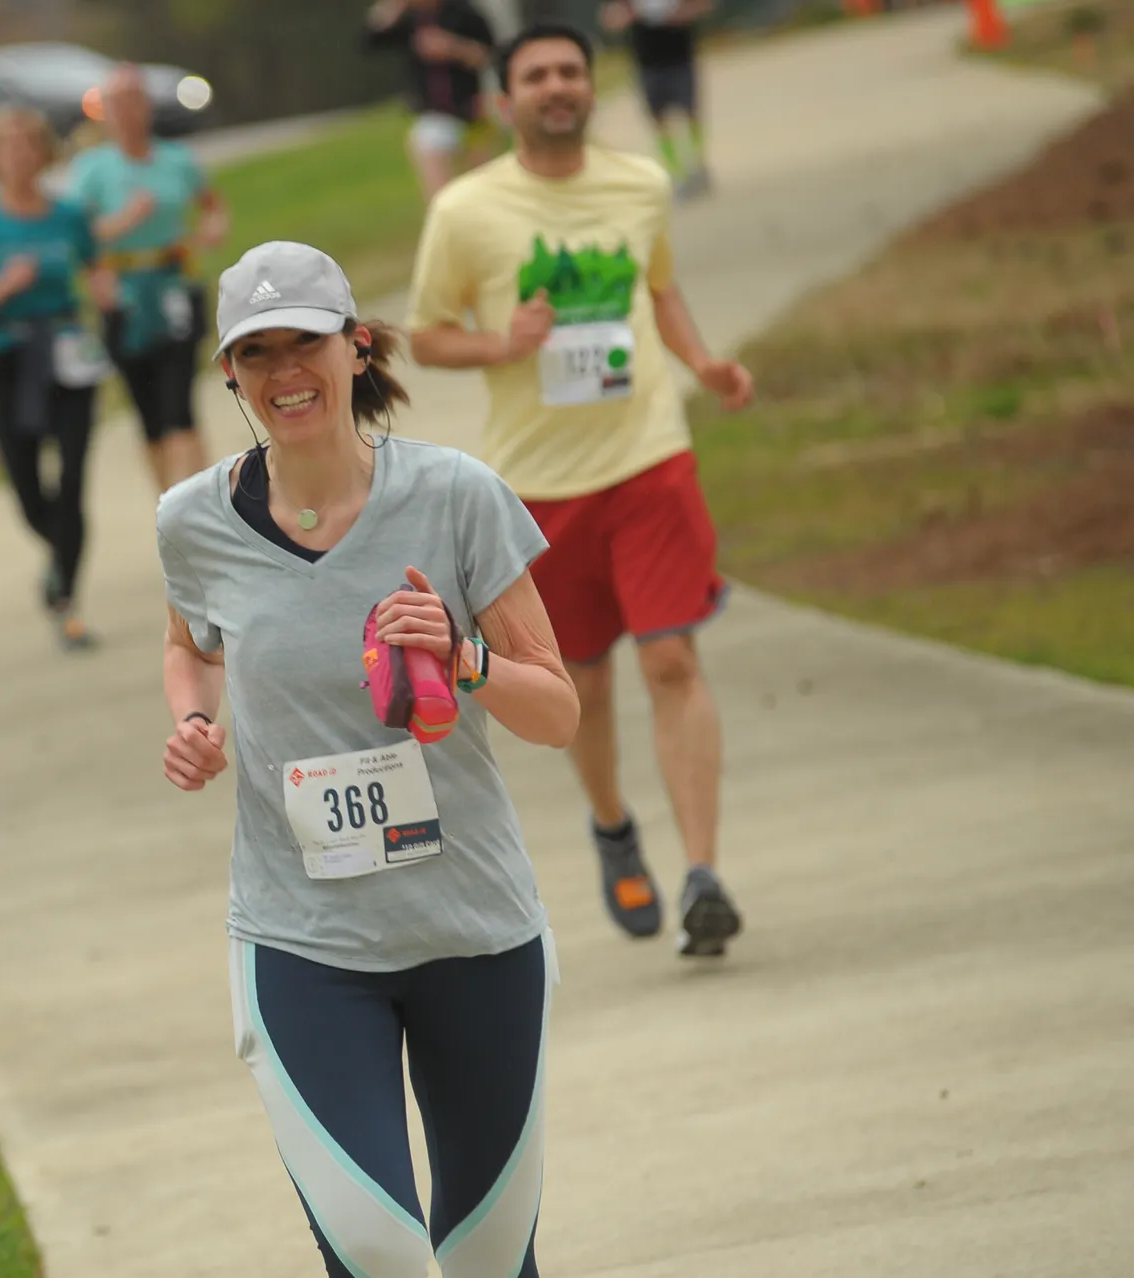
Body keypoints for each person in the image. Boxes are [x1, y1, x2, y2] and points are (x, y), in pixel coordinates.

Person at [157, 239, 579, 1278]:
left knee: (486, 1266)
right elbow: (186, 642)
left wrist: (462, 657)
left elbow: (558, 711)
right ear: (229, 376)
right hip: (303, 940)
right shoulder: (193, 523)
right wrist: (194, 722)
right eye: (257, 354)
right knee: (379, 1254)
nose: (284, 372)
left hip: (472, 930)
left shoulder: (456, 496)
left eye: (305, 342)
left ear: (357, 346)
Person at [406, 23, 754, 957]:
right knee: (585, 683)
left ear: (589, 87)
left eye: (570, 71)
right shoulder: (468, 211)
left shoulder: (638, 185)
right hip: (539, 487)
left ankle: (704, 874)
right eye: (536, 75)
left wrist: (703, 363)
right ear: (503, 96)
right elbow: (427, 333)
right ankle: (611, 826)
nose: (557, 85)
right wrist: (501, 344)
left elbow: (661, 289)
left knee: (672, 660)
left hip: (649, 457)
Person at [0, 104, 117, 651]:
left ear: (44, 152)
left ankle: (64, 592)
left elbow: (96, 267)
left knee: (72, 477)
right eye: (6, 146)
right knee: (26, 487)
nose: (19, 155)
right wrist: (2, 287)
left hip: (67, 351)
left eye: (28, 143)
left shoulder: (68, 214)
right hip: (8, 355)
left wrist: (105, 294)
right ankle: (60, 554)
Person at [68, 63, 230, 492]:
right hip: (123, 292)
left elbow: (212, 204)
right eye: (116, 103)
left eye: (133, 100)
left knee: (179, 397)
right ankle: (169, 504)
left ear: (147, 106)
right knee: (147, 406)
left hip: (174, 280)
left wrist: (213, 225)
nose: (126, 111)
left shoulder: (176, 159)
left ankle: (202, 501)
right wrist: (123, 221)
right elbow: (77, 237)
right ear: (104, 112)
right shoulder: (92, 169)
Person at [366, 0, 501, 202]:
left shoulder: (464, 12)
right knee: (440, 195)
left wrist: (452, 47)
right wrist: (393, 7)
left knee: (483, 188)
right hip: (433, 113)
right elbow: (372, 40)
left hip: (472, 110)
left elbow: (489, 55)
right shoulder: (408, 20)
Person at [601, 0, 715, 197]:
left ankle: (698, 165)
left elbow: (704, 5)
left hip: (680, 58)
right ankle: (675, 171)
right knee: (658, 120)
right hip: (648, 63)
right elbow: (610, 19)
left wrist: (680, 14)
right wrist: (627, 16)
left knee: (691, 113)